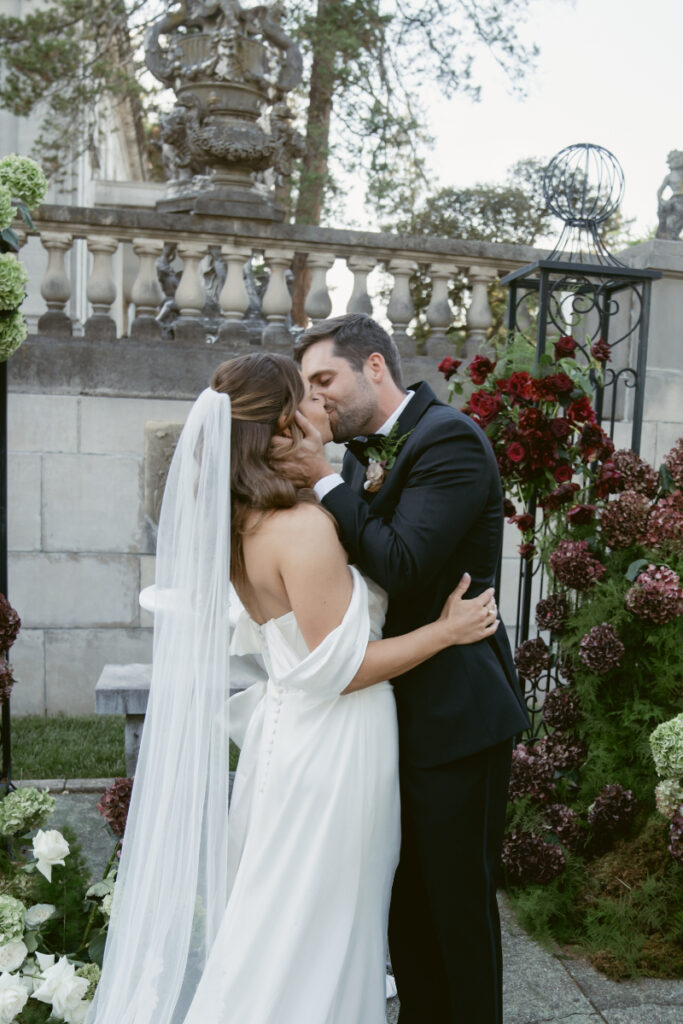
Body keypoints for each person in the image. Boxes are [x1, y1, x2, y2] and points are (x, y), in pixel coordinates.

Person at [88, 351, 501, 1024]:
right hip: (334, 745)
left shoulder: (243, 523)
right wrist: (445, 632)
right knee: (322, 931)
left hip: (291, 737)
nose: (321, 403)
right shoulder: (302, 528)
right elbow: (343, 669)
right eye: (307, 395)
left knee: (284, 922)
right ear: (284, 424)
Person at [274, 314, 531, 1024]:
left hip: (454, 714)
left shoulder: (448, 438)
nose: (316, 399)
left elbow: (405, 564)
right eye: (308, 387)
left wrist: (325, 482)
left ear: (374, 366)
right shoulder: (359, 457)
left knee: (455, 906)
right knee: (404, 904)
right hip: (381, 709)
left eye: (325, 379)